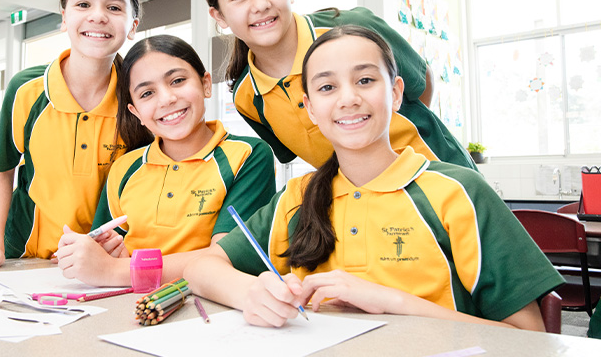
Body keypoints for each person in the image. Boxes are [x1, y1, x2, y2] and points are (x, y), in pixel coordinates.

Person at [184, 25, 564, 330]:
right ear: (311, 109)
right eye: (327, 87)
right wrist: (252, 292)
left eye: (365, 80)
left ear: (396, 93)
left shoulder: (458, 192)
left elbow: (528, 335)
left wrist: (393, 302)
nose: (348, 99)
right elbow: (201, 268)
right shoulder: (297, 196)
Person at [203, 0, 474, 170]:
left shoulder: (353, 29)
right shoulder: (247, 97)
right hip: (371, 210)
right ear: (219, 15)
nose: (260, 4)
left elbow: (421, 83)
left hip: (442, 176)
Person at [56, 35, 276, 286]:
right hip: (130, 304)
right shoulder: (124, 168)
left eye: (178, 80)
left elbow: (227, 255)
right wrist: (98, 256)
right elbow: (108, 251)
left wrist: (114, 270)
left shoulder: (248, 155)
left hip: (213, 303)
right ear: (135, 111)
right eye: (147, 93)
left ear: (206, 84)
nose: (166, 99)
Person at [0, 0, 140, 269]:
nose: (98, 15)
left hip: (101, 260)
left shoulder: (140, 97)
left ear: (133, 25)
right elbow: (1, 172)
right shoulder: (26, 90)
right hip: (25, 253)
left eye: (113, 7)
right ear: (64, 18)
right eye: (83, 4)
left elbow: (143, 185)